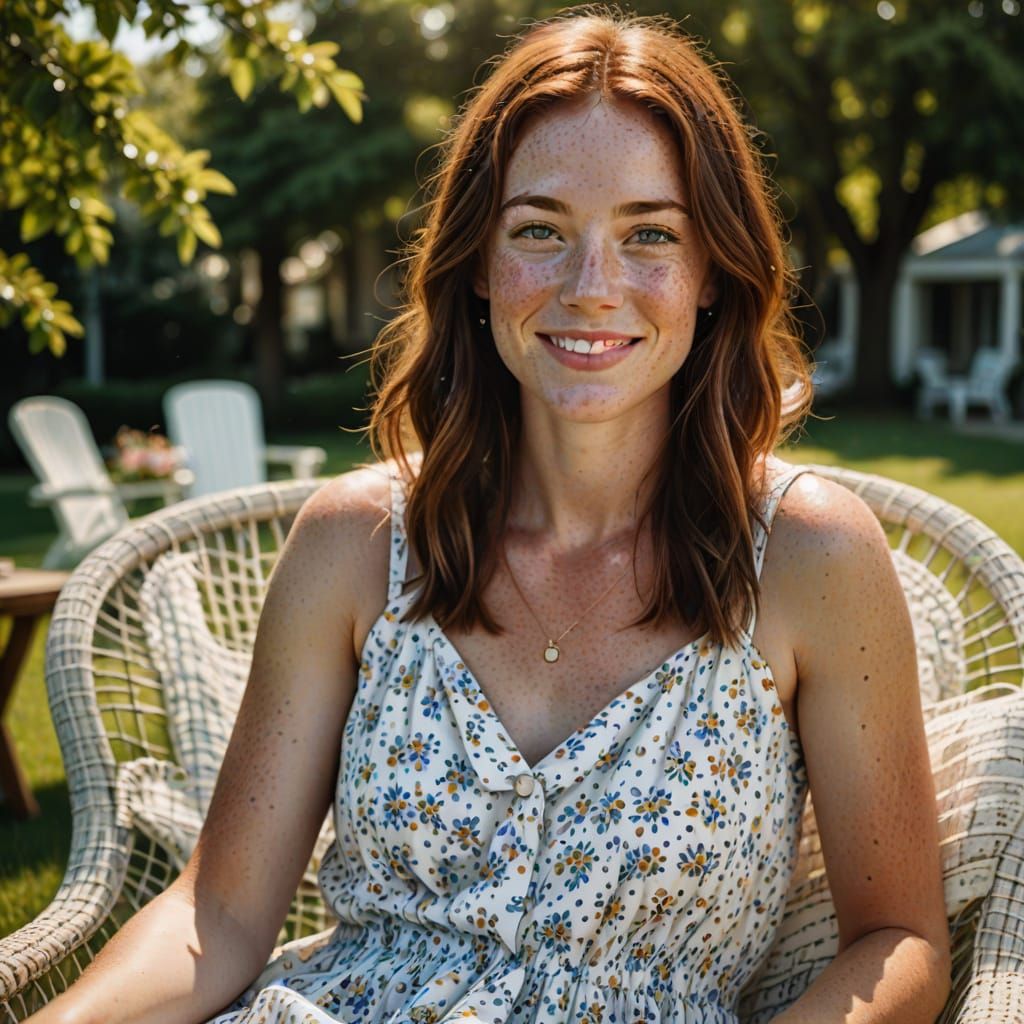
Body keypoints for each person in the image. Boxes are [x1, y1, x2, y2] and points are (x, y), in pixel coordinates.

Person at [31, 7, 951, 1023]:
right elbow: (221, 912)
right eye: (539, 231)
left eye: (649, 234)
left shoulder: (808, 558)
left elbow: (898, 941)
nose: (591, 288)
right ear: (477, 260)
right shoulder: (356, 544)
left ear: (712, 273)